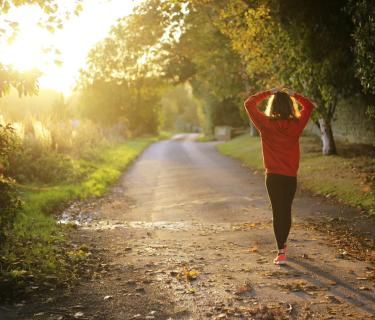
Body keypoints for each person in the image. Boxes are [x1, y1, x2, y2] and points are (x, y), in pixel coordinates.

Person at [244, 86, 315, 265]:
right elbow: (309, 106)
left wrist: (269, 92)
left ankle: (281, 251)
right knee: (286, 210)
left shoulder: (265, 124)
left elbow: (249, 103)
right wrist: (294, 94)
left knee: (278, 212)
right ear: (290, 106)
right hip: (290, 176)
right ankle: (283, 245)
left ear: (272, 106)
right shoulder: (296, 124)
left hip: (273, 176)